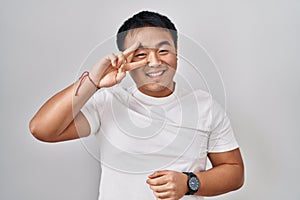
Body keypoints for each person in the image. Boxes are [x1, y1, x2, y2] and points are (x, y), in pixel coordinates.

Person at [29, 10, 244, 200]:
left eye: (163, 50)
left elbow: (234, 172)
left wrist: (188, 183)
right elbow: (42, 129)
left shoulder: (204, 106)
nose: (154, 62)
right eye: (140, 54)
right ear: (125, 59)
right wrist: (93, 82)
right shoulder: (108, 103)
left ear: (177, 50)